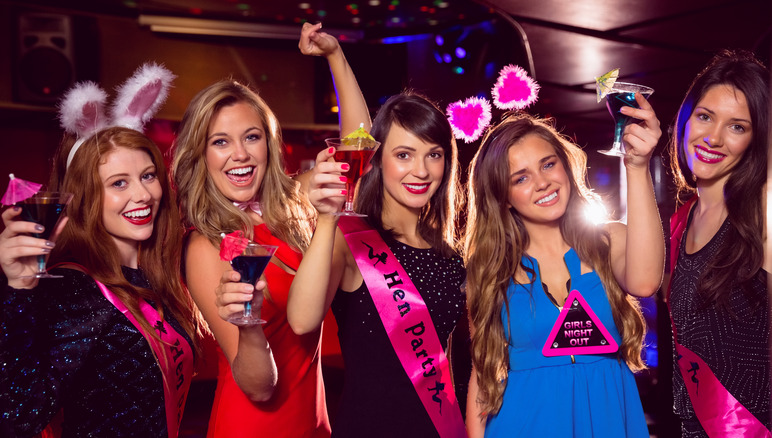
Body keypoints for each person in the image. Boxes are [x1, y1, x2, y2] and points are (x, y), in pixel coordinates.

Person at [169, 23, 369, 436]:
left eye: (252, 136)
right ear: (200, 155)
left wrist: (335, 56)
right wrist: (251, 323)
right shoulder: (205, 246)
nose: (239, 154)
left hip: (314, 424)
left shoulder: (293, 204)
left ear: (270, 144)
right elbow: (257, 387)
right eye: (220, 142)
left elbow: (359, 148)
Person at [0, 64, 200, 437]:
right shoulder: (75, 290)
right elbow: (22, 417)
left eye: (147, 175)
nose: (142, 195)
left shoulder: (156, 276)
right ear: (87, 197)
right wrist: (20, 293)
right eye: (118, 183)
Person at [287, 23, 467, 438]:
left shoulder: (450, 254)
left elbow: (450, 361)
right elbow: (300, 320)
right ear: (377, 160)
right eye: (403, 154)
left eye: (434, 155)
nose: (421, 171)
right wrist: (328, 219)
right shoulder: (353, 243)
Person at [464, 107, 664, 436]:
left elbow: (645, 282)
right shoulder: (490, 269)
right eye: (521, 178)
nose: (543, 183)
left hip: (607, 418)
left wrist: (637, 166)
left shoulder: (609, 241)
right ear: (504, 196)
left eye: (548, 164)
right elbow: (482, 373)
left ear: (564, 165)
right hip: (523, 423)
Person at [667, 49, 770, 437]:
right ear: (687, 119)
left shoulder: (763, 214)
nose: (713, 137)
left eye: (737, 127)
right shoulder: (681, 221)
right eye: (705, 116)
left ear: (757, 139)